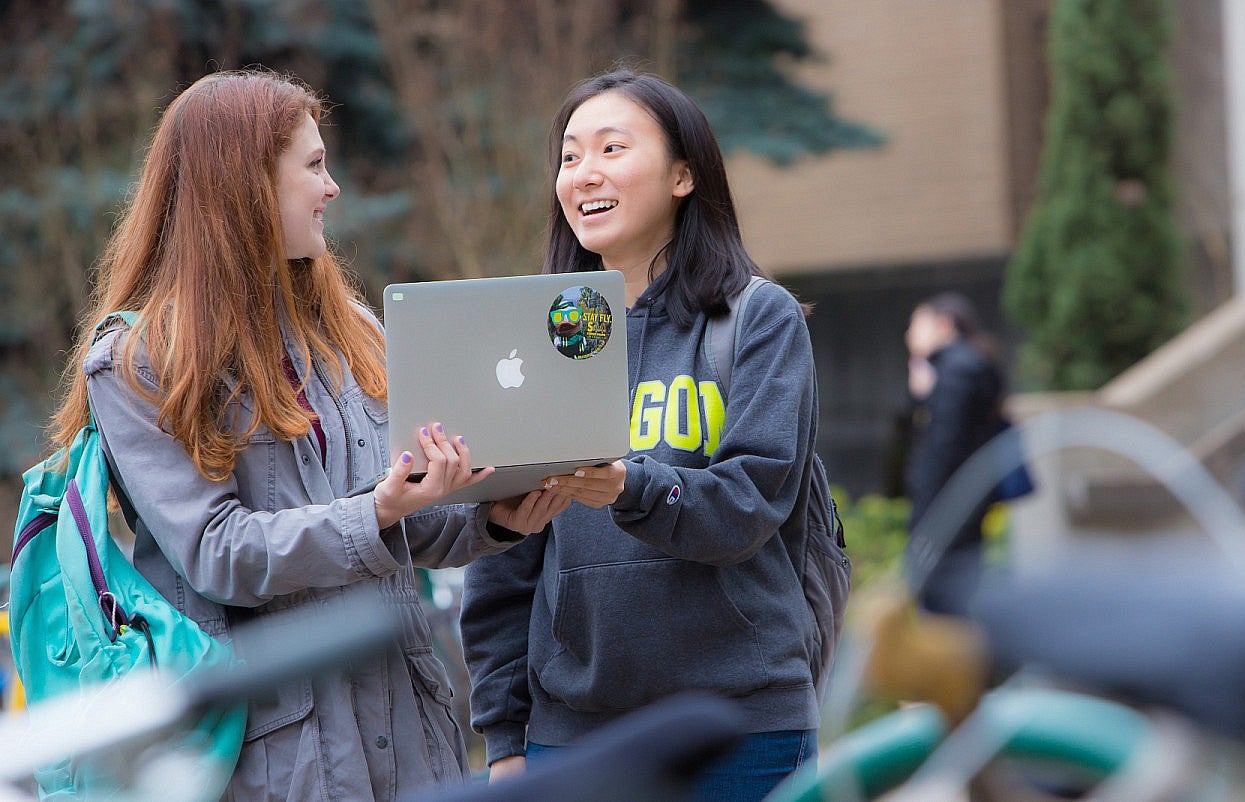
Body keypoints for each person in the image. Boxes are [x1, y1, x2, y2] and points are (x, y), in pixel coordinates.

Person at [52, 69, 567, 800]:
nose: (332, 190)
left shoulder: (350, 330)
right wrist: (381, 512)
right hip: (283, 763)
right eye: (315, 167)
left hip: (414, 736)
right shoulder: (135, 362)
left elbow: (403, 524)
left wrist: (495, 520)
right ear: (243, 184)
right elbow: (219, 553)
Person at [460, 68, 823, 802]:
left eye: (611, 149)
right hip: (572, 739)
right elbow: (503, 558)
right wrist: (504, 736)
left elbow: (749, 506)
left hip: (741, 729)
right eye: (568, 157)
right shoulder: (533, 340)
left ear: (683, 174)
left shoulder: (755, 319)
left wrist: (632, 483)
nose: (583, 174)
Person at [903, 292, 1005, 611]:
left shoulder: (956, 370)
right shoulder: (965, 365)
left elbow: (945, 445)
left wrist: (927, 518)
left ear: (944, 325)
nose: (909, 334)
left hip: (949, 507)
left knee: (945, 602)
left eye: (917, 324)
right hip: (962, 502)